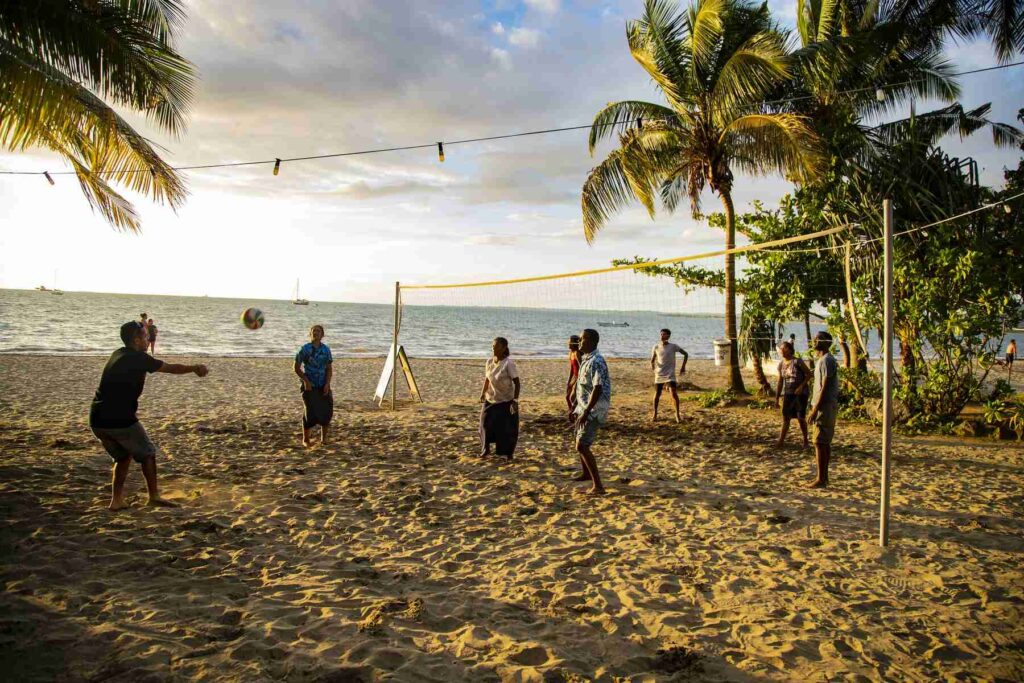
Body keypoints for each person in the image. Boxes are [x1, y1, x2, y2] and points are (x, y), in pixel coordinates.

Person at [90, 321, 208, 510]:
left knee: (123, 457)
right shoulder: (139, 358)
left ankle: (116, 501)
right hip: (119, 419)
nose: (149, 339)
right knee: (148, 453)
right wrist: (195, 367)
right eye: (146, 337)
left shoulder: (118, 353)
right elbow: (170, 368)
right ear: (136, 340)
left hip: (97, 419)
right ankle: (154, 497)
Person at [572, 328, 610, 495]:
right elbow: (583, 386)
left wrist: (587, 411)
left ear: (593, 342)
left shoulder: (597, 361)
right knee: (578, 441)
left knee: (582, 445)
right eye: (579, 339)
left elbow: (597, 388)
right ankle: (586, 473)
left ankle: (598, 486)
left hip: (594, 409)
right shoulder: (586, 359)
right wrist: (577, 407)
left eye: (583, 339)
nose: (579, 342)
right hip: (584, 407)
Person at [806, 331, 839, 488]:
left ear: (825, 342)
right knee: (822, 442)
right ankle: (823, 478)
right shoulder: (823, 360)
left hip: (824, 406)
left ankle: (821, 478)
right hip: (823, 405)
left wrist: (815, 409)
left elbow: (824, 387)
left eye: (818, 339)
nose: (814, 340)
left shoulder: (827, 360)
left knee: (820, 442)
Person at [479, 337, 521, 459]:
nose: (494, 349)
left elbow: (517, 383)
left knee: (505, 429)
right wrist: (483, 392)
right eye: (493, 346)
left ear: (503, 348)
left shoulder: (508, 364)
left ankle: (506, 454)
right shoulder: (489, 362)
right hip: (490, 398)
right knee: (484, 423)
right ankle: (485, 449)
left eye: (497, 346)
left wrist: (515, 400)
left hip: (505, 400)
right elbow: (487, 379)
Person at [294, 324, 333, 447]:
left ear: (322, 335)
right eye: (313, 331)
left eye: (318, 331)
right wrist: (306, 381)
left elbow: (329, 369)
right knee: (309, 412)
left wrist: (327, 384)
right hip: (309, 385)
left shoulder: (326, 350)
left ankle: (324, 439)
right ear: (310, 334)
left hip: (323, 384)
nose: (316, 333)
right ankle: (306, 439)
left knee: (326, 411)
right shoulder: (304, 349)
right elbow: (296, 367)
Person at [774, 341, 810, 449]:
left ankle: (805, 440)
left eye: (785, 348)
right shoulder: (781, 364)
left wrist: (801, 386)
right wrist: (777, 397)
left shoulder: (797, 361)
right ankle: (781, 441)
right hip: (788, 393)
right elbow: (780, 382)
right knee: (786, 418)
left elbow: (809, 374)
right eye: (781, 349)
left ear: (790, 350)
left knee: (800, 417)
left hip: (800, 393)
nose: (782, 351)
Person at [650, 328, 688, 422]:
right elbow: (652, 360)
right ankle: (655, 414)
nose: (662, 336)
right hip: (659, 374)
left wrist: (683, 367)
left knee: (674, 393)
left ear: (668, 336)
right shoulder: (656, 347)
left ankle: (677, 415)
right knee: (657, 394)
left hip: (670, 374)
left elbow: (685, 354)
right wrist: (654, 369)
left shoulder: (673, 346)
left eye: (664, 334)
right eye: (661, 334)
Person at [566, 335, 581, 420]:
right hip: (574, 377)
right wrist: (569, 381)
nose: (568, 344)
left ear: (573, 344)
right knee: (567, 397)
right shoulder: (571, 353)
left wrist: (578, 381)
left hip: (579, 377)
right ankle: (572, 412)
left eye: (569, 342)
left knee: (573, 398)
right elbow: (572, 369)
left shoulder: (577, 353)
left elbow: (581, 367)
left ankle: (574, 414)